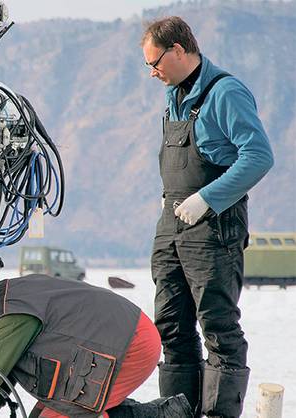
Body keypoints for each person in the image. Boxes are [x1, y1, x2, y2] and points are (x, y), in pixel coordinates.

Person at [141, 16, 274, 418]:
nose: (152, 72)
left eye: (156, 62)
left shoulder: (225, 92)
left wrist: (208, 198)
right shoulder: (174, 96)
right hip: (171, 225)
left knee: (218, 328)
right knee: (172, 327)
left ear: (179, 50)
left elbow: (259, 156)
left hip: (213, 228)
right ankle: (177, 411)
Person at [0, 274, 193, 418]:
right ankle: (167, 414)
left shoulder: (6, 315)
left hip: (129, 344)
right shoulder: (5, 302)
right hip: (127, 335)